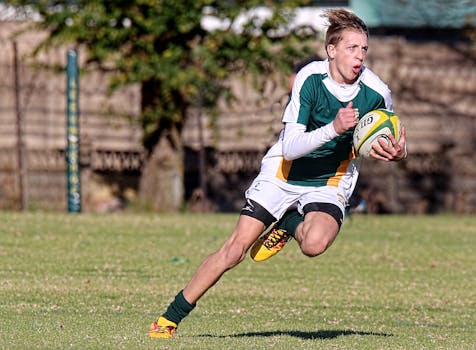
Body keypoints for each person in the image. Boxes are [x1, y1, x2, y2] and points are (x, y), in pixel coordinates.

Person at [148, 8, 407, 339]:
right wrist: (334, 127)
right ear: (331, 50)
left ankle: (289, 224)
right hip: (283, 174)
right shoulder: (309, 79)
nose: (359, 56)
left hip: (330, 182)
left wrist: (399, 153)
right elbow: (292, 147)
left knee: (314, 244)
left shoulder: (377, 92)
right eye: (351, 48)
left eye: (364, 49)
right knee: (234, 250)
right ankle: (170, 318)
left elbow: (393, 137)